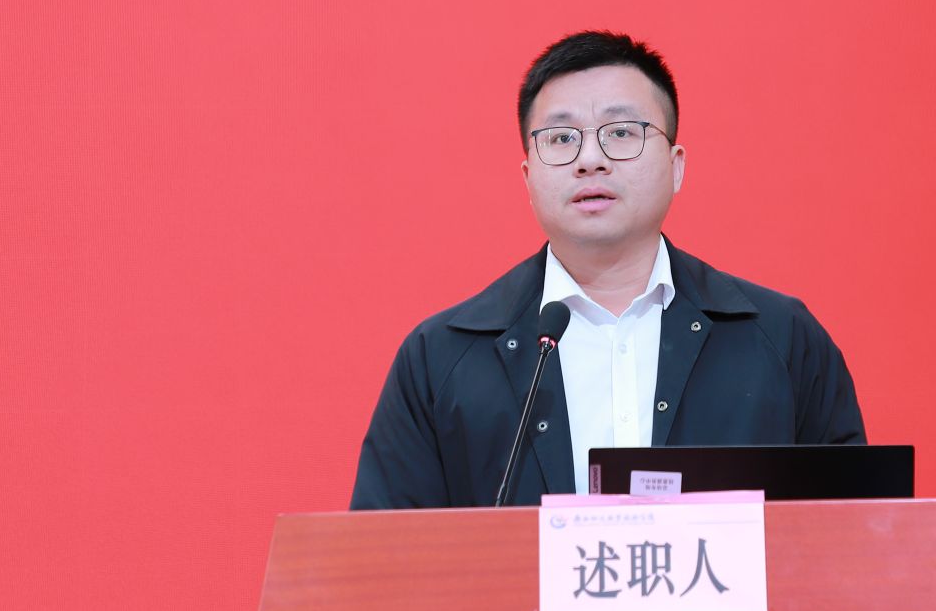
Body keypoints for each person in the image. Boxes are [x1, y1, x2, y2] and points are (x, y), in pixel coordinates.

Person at [350, 30, 865, 508]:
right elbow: (385, 555)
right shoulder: (442, 358)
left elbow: (852, 536)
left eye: (621, 132)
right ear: (528, 178)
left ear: (676, 166)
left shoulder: (781, 339)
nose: (590, 159)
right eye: (561, 138)